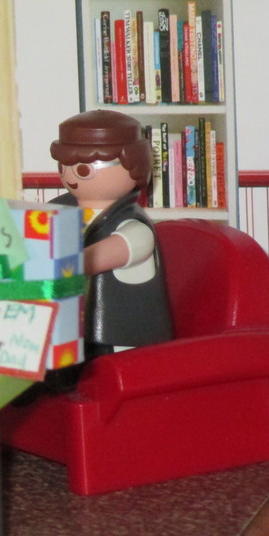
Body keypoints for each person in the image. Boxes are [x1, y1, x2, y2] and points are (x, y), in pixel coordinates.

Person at [50, 109, 173, 358]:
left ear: (133, 165)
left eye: (83, 169)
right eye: (64, 166)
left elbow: (88, 260)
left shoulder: (135, 229)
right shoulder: (60, 210)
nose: (70, 176)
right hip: (72, 335)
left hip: (117, 346)